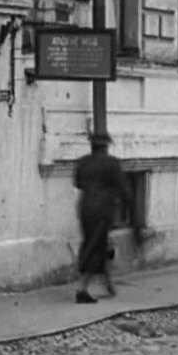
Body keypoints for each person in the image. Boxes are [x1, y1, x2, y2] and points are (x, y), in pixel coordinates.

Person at [73, 130, 130, 304]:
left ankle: (107, 282)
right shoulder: (111, 163)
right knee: (95, 246)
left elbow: (78, 182)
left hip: (85, 207)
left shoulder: (83, 162)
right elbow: (123, 188)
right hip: (103, 209)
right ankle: (82, 289)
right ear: (105, 146)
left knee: (99, 244)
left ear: (92, 146)